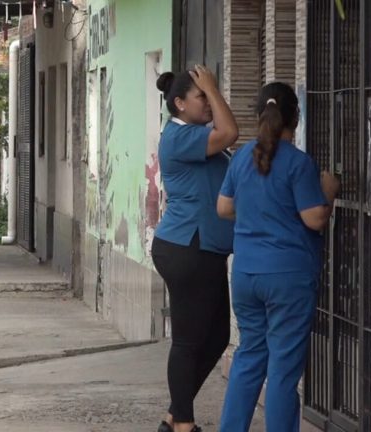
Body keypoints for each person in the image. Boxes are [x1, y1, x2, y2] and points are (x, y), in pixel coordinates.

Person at [216, 82, 340, 431]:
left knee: (249, 357)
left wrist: (259, 213)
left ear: (259, 117)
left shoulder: (241, 157)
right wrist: (328, 192)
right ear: (295, 119)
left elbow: (224, 208)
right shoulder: (299, 163)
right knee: (283, 369)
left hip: (246, 276)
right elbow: (314, 218)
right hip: (288, 278)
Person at [151, 65, 239, 432]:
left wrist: (210, 90)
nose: (207, 102)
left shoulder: (196, 135)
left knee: (218, 337)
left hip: (205, 250)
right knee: (187, 341)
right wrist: (215, 88)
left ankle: (174, 416)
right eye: (201, 96)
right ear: (180, 104)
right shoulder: (178, 137)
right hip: (187, 248)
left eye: (207, 95)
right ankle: (184, 424)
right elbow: (231, 131)